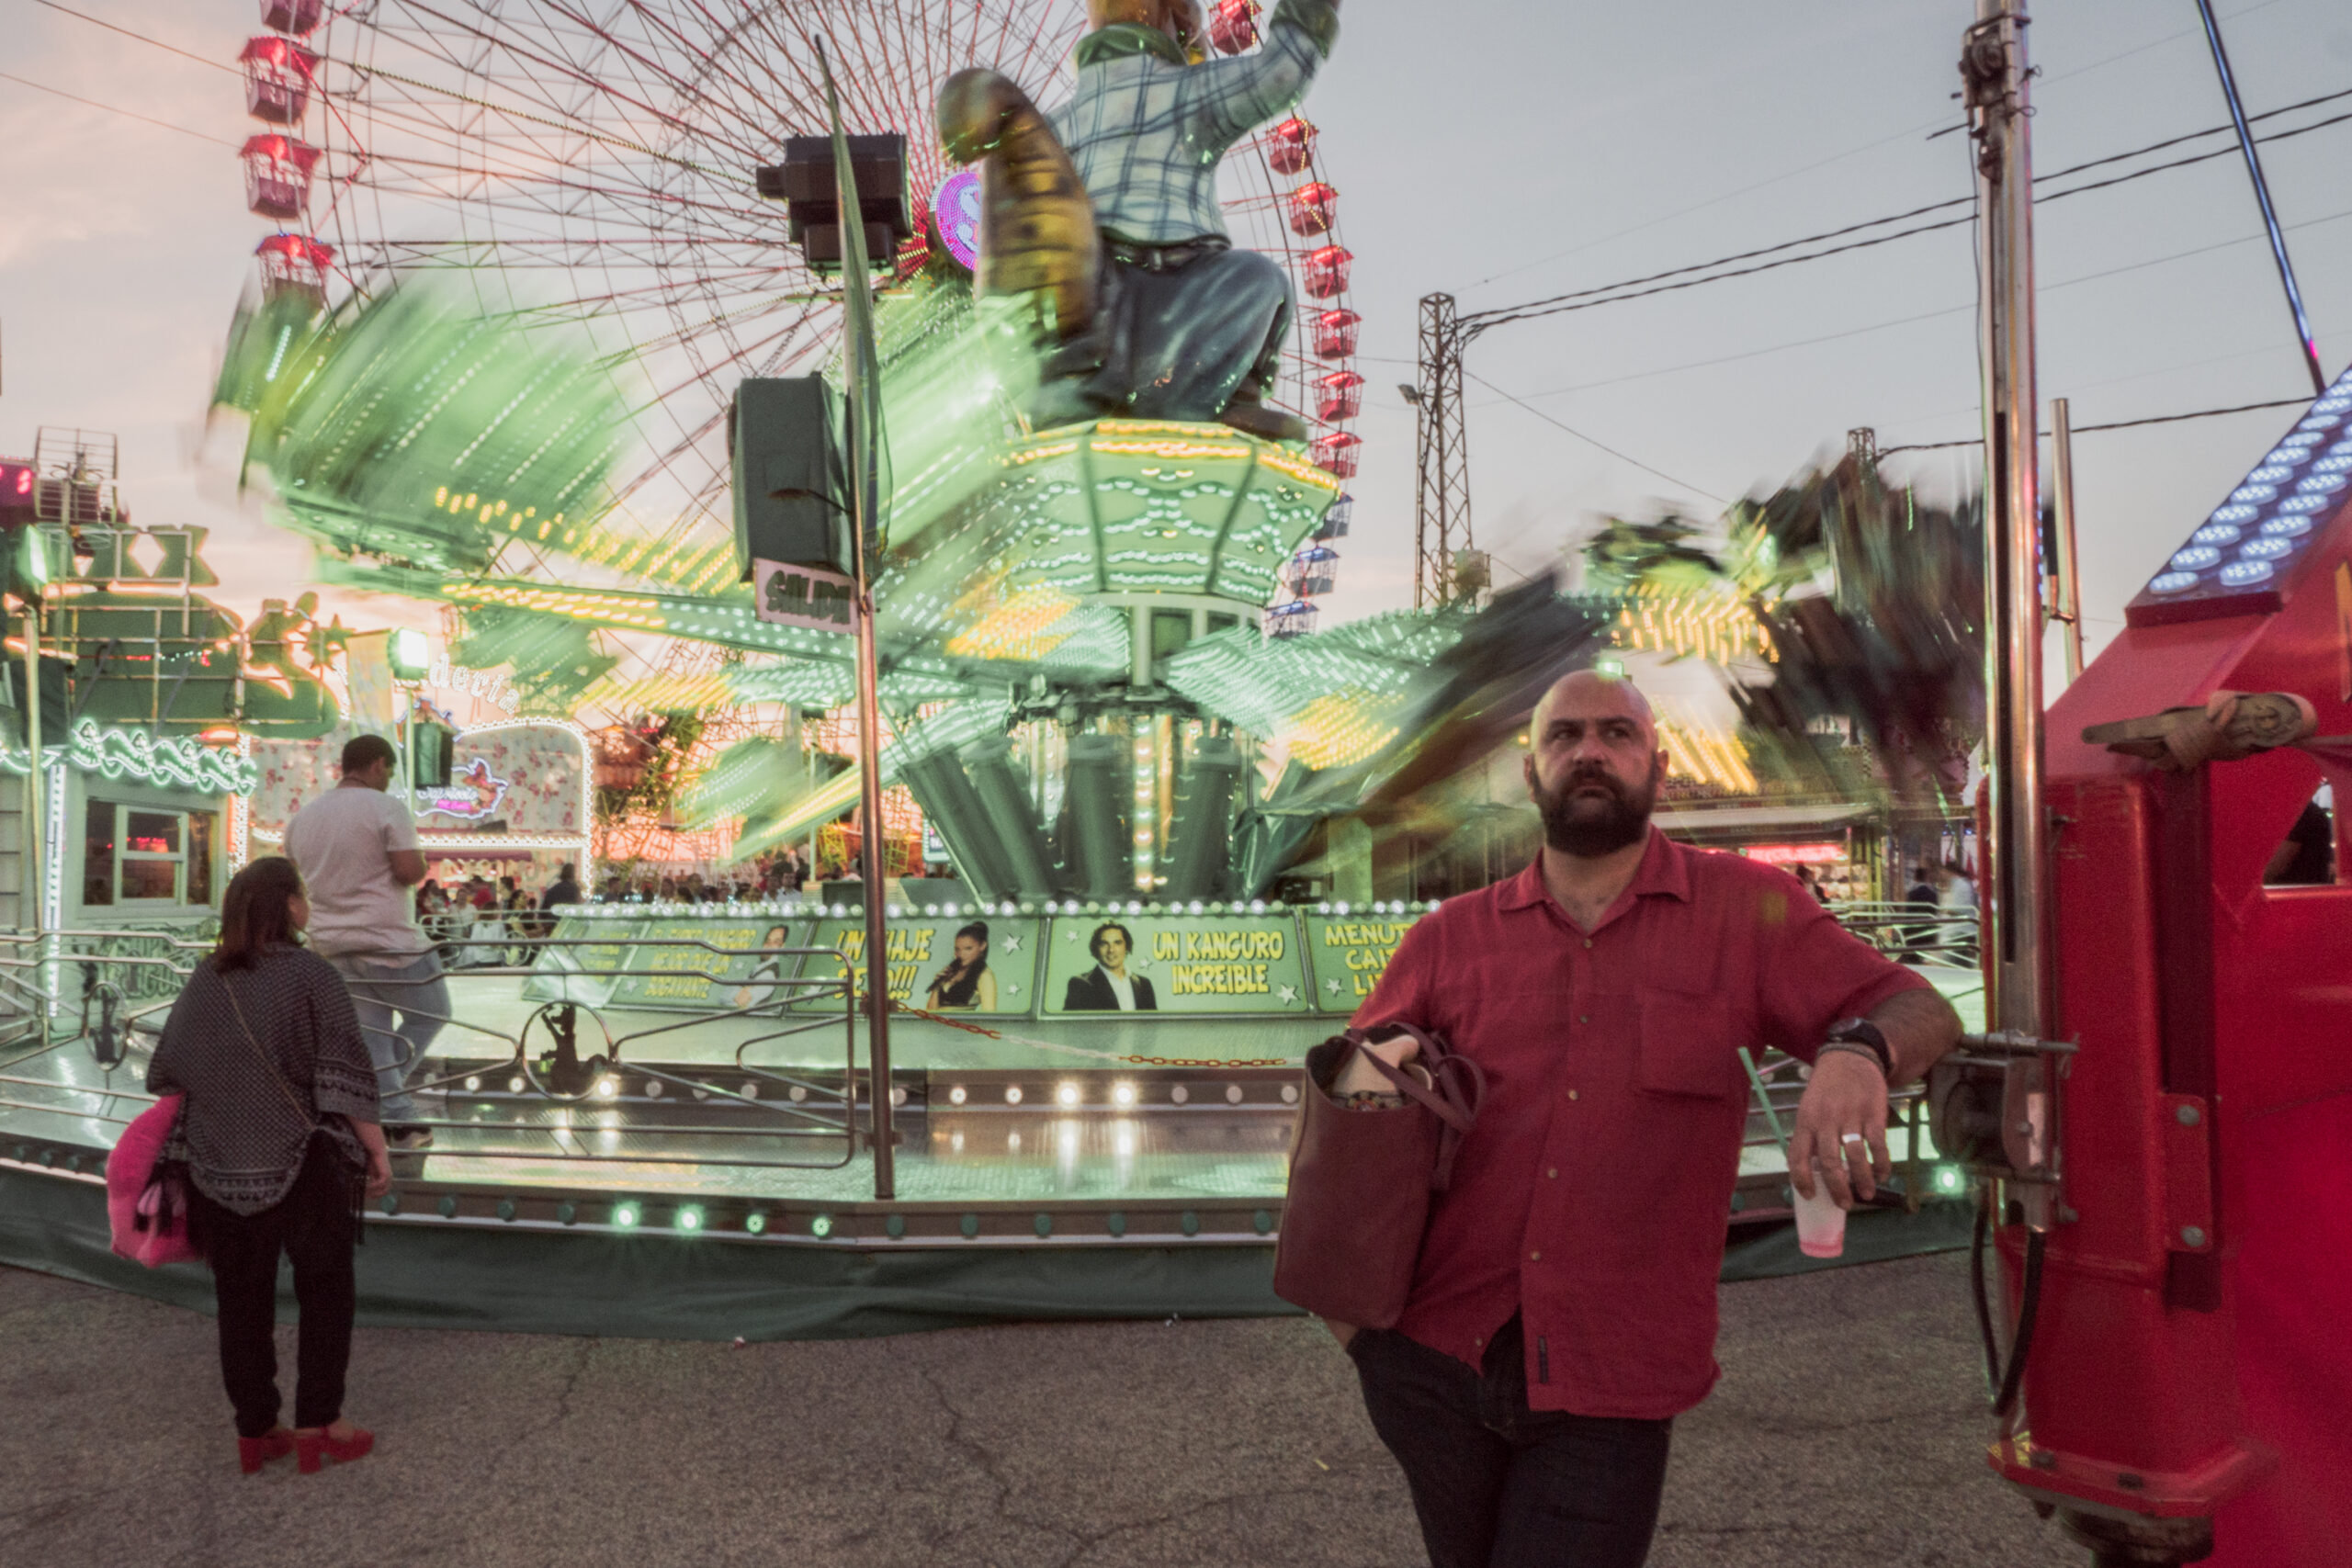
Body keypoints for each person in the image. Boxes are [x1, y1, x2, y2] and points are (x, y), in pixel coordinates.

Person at [1325, 670, 1960, 1568]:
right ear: (1530, 768)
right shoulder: (1448, 939)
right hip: (1432, 1364)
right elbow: (1344, 1117)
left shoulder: (1745, 912)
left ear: (1656, 764)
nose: (1590, 751)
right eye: (1565, 736)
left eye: (1616, 735)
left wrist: (1856, 1051)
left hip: (1608, 1380)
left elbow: (1921, 1007)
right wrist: (1358, 1333)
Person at [145, 855, 390, 1474]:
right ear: (288, 905)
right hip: (300, 1157)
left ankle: (255, 1428)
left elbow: (167, 1069)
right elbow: (343, 1070)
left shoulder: (207, 977)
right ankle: (319, 1421)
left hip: (218, 1165)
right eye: (302, 894)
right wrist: (377, 1146)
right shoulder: (312, 974)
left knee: (240, 1299)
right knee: (326, 1288)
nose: (308, 903)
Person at [284, 733, 446, 1153]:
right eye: (389, 769)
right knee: (434, 1013)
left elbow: (295, 878)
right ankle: (393, 1109)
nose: (390, 777)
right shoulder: (387, 808)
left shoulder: (304, 818)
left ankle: (386, 1114)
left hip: (332, 943)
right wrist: (423, 861)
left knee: (372, 1035)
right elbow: (410, 871)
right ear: (376, 764)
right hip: (389, 941)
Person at [1063, 922, 1156, 1010]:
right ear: (1096, 949)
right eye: (1104, 944)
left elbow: (1152, 1024)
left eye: (1117, 943)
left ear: (1126, 947)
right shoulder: (1081, 985)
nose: (1111, 950)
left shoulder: (1144, 984)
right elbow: (1072, 1026)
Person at [925, 921, 999, 1011]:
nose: (961, 954)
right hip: (937, 1025)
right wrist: (937, 986)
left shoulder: (984, 975)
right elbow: (930, 1012)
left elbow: (989, 1016)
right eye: (957, 949)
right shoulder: (950, 971)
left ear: (982, 946)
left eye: (968, 948)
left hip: (961, 1025)